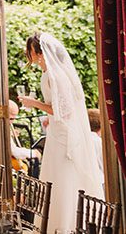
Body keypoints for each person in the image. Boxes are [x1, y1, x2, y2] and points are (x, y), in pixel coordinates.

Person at [18, 33, 103, 233]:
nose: (29, 56)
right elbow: (59, 108)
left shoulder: (55, 75)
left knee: (63, 179)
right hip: (57, 133)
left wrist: (34, 104)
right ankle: (54, 224)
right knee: (53, 179)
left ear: (38, 53)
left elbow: (64, 111)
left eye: (30, 52)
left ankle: (65, 226)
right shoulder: (48, 73)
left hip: (63, 139)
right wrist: (48, 115)